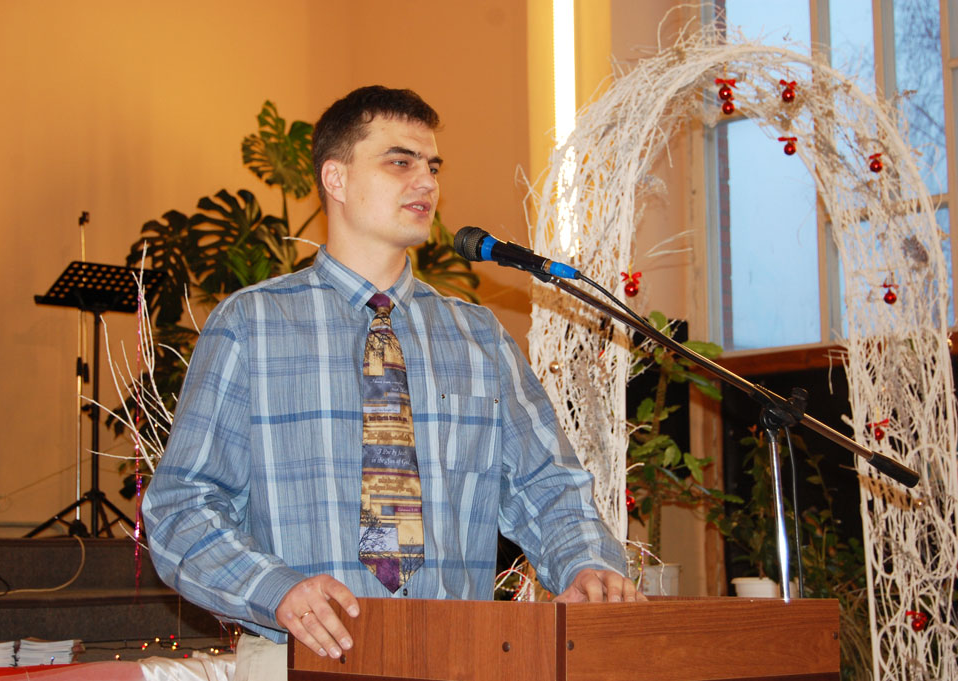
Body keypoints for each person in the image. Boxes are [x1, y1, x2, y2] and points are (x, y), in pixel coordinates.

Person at [142, 85, 643, 680]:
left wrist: (585, 565)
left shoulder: (477, 336)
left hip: (460, 659)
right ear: (336, 178)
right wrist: (276, 590)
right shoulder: (251, 325)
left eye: (433, 166)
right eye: (400, 162)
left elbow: (547, 485)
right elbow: (181, 508)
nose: (427, 182)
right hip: (302, 658)